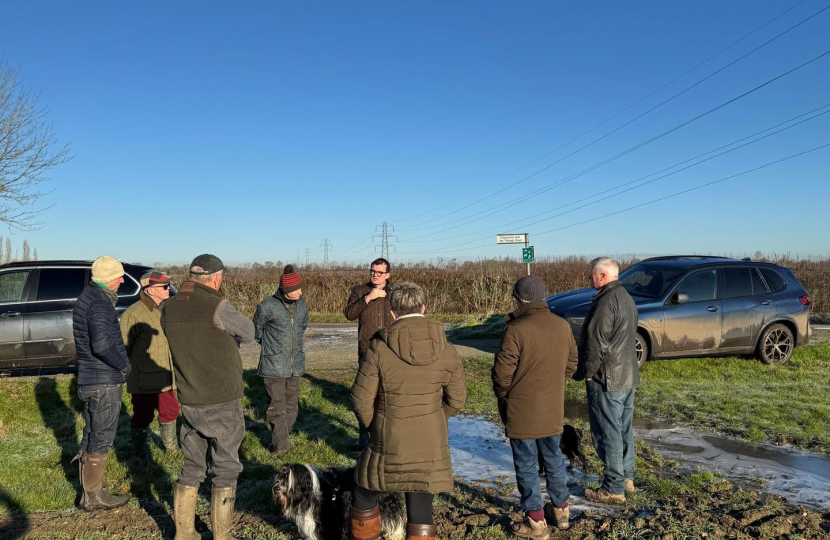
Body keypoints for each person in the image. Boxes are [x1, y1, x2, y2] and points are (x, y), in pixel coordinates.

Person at [350, 281, 466, 540]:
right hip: (429, 440)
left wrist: (375, 425)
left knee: (363, 491)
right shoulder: (446, 348)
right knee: (421, 497)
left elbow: (360, 399)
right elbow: (457, 399)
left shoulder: (378, 348)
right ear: (424, 307)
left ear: (392, 312)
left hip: (388, 438)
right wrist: (434, 418)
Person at [161, 254, 256, 540]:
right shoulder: (218, 305)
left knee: (192, 466)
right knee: (226, 468)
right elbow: (249, 332)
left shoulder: (168, 307)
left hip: (189, 398)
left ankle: (185, 533)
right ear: (217, 278)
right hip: (222, 399)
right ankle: (223, 536)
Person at [492, 276, 578, 537]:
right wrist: (550, 382)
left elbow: (502, 374)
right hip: (552, 405)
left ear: (518, 298)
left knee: (527, 463)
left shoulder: (516, 329)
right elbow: (572, 364)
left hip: (521, 408)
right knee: (554, 458)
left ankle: (536, 520)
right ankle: (561, 510)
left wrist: (505, 395)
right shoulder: (563, 326)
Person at [575, 257, 640, 505]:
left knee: (607, 432)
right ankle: (626, 478)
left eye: (592, 274)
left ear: (602, 276)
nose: (590, 278)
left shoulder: (605, 302)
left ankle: (613, 487)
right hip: (627, 375)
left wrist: (588, 373)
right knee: (623, 429)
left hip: (607, 378)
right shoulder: (627, 298)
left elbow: (595, 344)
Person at [72, 256, 132, 511]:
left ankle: (88, 494)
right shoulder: (99, 303)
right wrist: (124, 365)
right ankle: (94, 497)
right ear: (108, 278)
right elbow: (102, 345)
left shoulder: (88, 297)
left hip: (91, 380)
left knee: (91, 435)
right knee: (101, 438)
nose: (121, 281)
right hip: (103, 381)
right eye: (119, 276)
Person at [121, 271, 179, 466]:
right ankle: (140, 454)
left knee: (170, 411)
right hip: (143, 378)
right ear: (150, 290)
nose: (168, 289)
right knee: (142, 416)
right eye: (164, 286)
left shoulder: (164, 309)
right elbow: (123, 347)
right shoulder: (133, 314)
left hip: (164, 375)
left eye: (168, 285)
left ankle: (172, 451)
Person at [253, 264, 309, 455]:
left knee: (292, 404)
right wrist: (272, 349)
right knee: (277, 405)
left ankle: (285, 433)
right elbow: (257, 331)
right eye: (297, 289)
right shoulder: (267, 306)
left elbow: (302, 327)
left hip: (296, 365)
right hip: (273, 365)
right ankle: (281, 446)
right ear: (286, 291)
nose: (301, 292)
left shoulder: (302, 305)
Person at [343, 257, 394, 447]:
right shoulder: (359, 291)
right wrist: (368, 298)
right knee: (366, 397)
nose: (375, 275)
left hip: (391, 353)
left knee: (387, 396)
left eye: (379, 272)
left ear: (387, 275)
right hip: (367, 352)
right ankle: (365, 439)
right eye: (372, 271)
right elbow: (349, 314)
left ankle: (385, 437)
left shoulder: (394, 293)